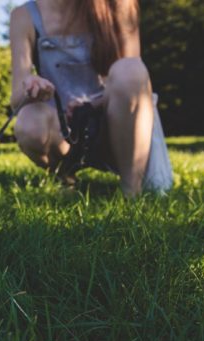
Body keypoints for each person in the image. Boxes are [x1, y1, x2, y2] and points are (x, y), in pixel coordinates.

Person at [10, 0, 173, 196]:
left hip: (117, 124)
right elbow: (16, 99)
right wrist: (32, 86)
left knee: (130, 69)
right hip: (64, 129)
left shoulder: (120, 5)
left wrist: (90, 104)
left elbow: (134, 79)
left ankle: (131, 189)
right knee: (29, 121)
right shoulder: (24, 15)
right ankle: (64, 175)